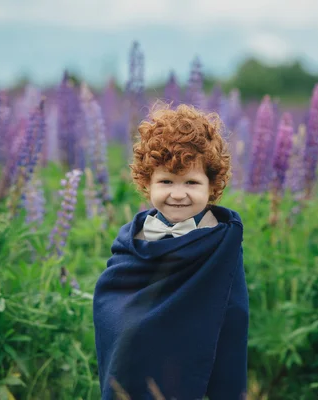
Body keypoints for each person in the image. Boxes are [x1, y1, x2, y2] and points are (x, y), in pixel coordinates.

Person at [93, 102, 249, 400]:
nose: (178, 194)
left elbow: (234, 320)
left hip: (190, 374)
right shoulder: (132, 241)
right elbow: (112, 306)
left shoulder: (221, 243)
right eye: (166, 181)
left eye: (191, 182)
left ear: (212, 185)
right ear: (146, 182)